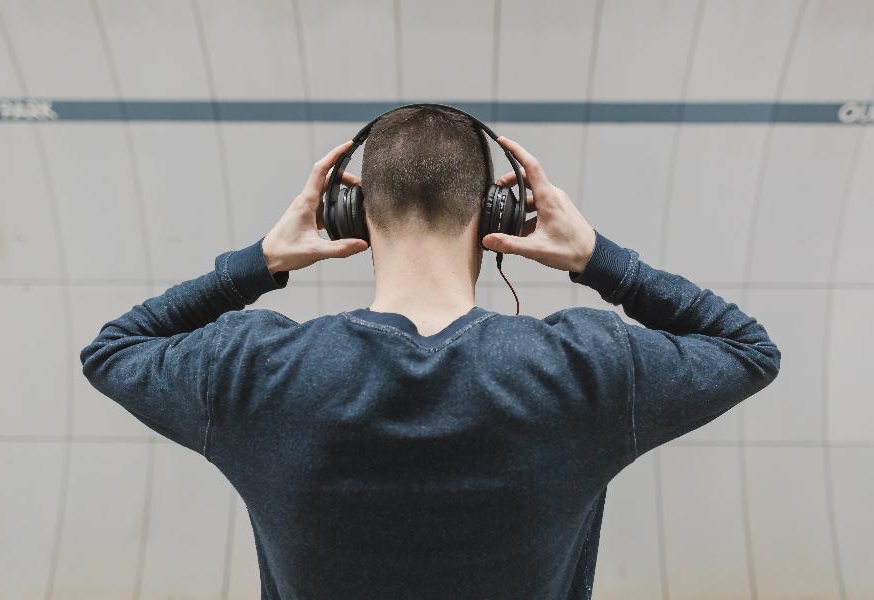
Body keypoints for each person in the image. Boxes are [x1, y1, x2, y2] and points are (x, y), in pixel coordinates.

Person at [80, 105, 781, 600]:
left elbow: (113, 350)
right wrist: (600, 260)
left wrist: (259, 262)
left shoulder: (253, 370)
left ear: (349, 214)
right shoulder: (586, 368)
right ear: (497, 217)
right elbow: (747, 349)